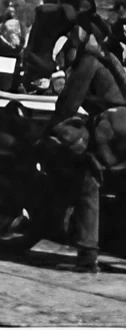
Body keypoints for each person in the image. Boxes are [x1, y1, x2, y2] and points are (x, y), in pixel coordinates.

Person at [48, 23, 126, 273]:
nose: (63, 62)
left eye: (65, 54)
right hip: (120, 125)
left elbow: (68, 103)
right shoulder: (106, 57)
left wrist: (47, 132)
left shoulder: (89, 62)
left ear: (74, 46)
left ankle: (87, 254)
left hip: (115, 126)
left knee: (89, 179)